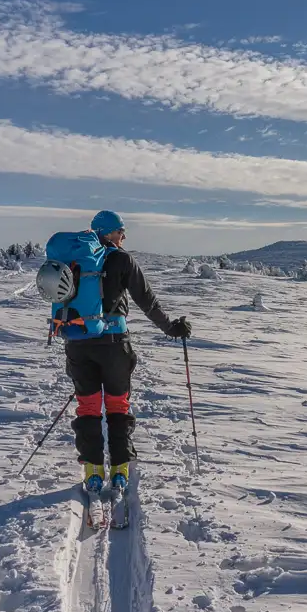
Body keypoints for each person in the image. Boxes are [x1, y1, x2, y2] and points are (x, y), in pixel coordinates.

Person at [66, 210, 192, 493]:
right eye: (121, 231)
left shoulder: (73, 260)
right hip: (113, 344)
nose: (124, 236)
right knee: (117, 405)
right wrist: (172, 328)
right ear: (109, 233)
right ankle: (120, 469)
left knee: (88, 406)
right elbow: (146, 301)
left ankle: (93, 471)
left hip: (78, 343)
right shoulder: (122, 259)